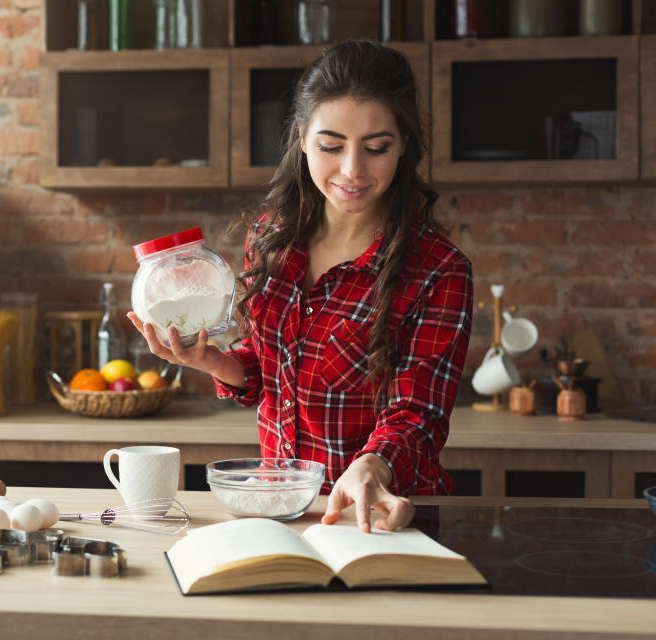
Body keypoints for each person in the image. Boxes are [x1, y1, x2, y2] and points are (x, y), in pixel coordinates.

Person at [128, 40, 472, 533]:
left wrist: (372, 465)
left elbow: (417, 414)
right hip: (283, 512)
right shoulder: (271, 239)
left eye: (376, 148)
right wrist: (211, 361)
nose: (352, 169)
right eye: (331, 145)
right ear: (303, 139)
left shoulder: (438, 269)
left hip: (384, 518)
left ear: (404, 148)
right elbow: (267, 367)